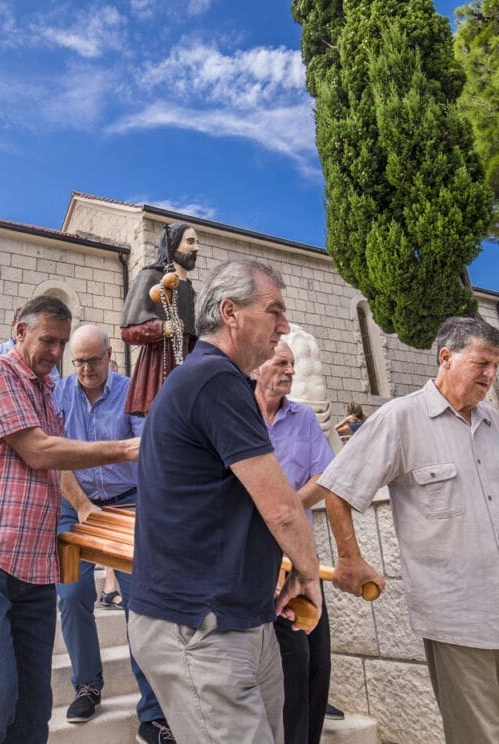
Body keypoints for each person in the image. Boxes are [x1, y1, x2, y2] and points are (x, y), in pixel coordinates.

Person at [319, 316, 499, 744]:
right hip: (458, 616)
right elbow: (337, 487)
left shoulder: (498, 425)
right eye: (482, 363)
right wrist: (350, 557)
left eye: (496, 366)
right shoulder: (401, 418)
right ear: (446, 357)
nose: (490, 375)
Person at [0, 295, 140, 744]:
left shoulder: (47, 392)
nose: (55, 352)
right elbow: (39, 450)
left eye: (62, 343)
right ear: (19, 330)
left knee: (34, 708)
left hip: (33, 565)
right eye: (48, 340)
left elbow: (56, 464)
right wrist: (122, 449)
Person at [129, 259, 322, 744]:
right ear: (230, 312)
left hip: (238, 616)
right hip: (200, 625)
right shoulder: (215, 380)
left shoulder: (215, 379)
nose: (284, 326)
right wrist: (309, 574)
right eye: (273, 310)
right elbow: (279, 506)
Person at [51, 325, 171, 743]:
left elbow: (147, 452)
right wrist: (83, 507)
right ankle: (86, 685)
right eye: (78, 361)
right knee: (70, 595)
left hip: (128, 503)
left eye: (93, 360)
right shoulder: (58, 394)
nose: (85, 369)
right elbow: (55, 457)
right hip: (73, 503)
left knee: (140, 604)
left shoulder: (131, 392)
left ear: (110, 357)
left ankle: (154, 712)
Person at [254, 340, 335, 744]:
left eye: (292, 364)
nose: (290, 371)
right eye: (281, 363)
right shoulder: (239, 416)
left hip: (300, 557)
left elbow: (326, 476)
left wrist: (284, 506)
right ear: (256, 368)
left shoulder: (302, 418)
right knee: (292, 661)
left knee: (318, 662)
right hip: (256, 559)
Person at [120, 223, 199, 415]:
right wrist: (162, 328)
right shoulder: (150, 276)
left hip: (188, 363)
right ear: (173, 245)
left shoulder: (189, 287)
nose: (196, 247)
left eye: (196, 242)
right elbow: (128, 330)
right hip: (159, 363)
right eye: (190, 241)